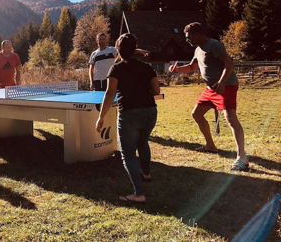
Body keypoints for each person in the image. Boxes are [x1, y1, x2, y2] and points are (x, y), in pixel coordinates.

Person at [169, 22, 248, 171]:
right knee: (196, 114)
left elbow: (229, 64)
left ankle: (241, 157)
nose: (187, 40)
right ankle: (210, 146)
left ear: (198, 33)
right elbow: (192, 68)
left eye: (189, 36)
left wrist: (222, 82)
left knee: (230, 119)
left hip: (227, 85)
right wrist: (177, 69)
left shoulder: (214, 45)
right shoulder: (197, 49)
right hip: (210, 88)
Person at [96, 33, 160, 203]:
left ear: (118, 49)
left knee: (128, 155)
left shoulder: (116, 68)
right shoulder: (147, 68)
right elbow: (156, 92)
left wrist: (101, 117)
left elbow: (110, 94)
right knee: (143, 142)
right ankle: (146, 173)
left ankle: (138, 194)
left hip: (129, 113)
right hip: (150, 112)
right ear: (135, 49)